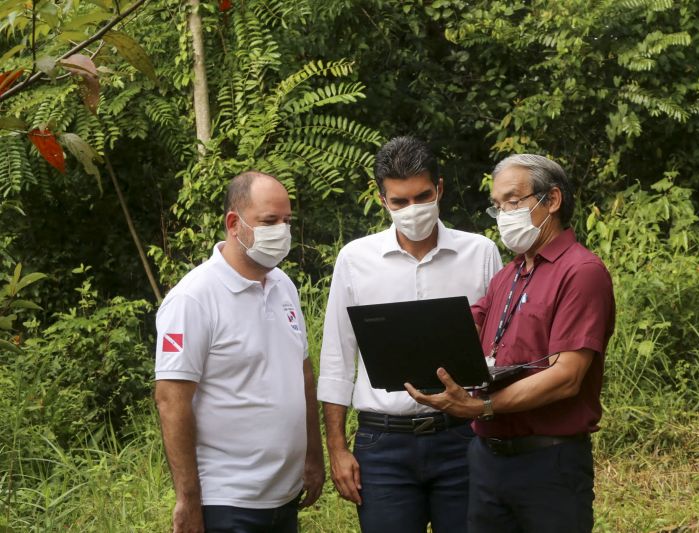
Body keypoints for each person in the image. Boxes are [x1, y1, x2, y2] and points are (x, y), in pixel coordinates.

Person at [406, 154, 615, 533]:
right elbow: (466, 330)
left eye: (513, 202)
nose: (504, 214)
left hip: (549, 462)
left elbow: (567, 376)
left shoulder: (581, 272)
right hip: (488, 461)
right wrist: (401, 340)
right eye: (498, 206)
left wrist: (481, 406)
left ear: (551, 200)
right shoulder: (509, 274)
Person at [318, 136, 502, 533]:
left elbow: (499, 347)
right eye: (399, 201)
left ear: (440, 188)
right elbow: (338, 357)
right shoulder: (355, 259)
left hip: (463, 437)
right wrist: (337, 448)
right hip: (384, 446)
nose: (412, 209)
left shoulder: (481, 253)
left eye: (422, 196)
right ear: (382, 199)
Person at [154, 171, 325, 533]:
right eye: (269, 221)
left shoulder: (283, 285)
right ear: (235, 223)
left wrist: (313, 455)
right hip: (228, 501)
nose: (282, 231)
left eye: (287, 221)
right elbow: (171, 400)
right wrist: (188, 499)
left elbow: (302, 373)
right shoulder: (194, 298)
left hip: (284, 495)